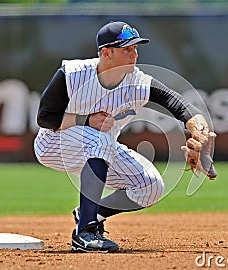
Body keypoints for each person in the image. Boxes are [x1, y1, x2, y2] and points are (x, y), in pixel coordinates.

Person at [34, 21, 212, 253]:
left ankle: (90, 212)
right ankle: (85, 233)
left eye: (135, 48)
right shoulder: (73, 74)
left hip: (99, 149)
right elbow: (45, 118)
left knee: (150, 186)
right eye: (126, 49)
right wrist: (85, 120)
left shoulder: (137, 83)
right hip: (53, 143)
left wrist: (200, 132)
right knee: (99, 139)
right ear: (106, 53)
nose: (134, 53)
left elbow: (178, 104)